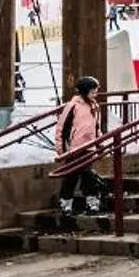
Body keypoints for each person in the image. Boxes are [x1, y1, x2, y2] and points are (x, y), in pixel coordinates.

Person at [56, 75, 104, 213]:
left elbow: (96, 127)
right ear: (84, 91)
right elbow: (61, 128)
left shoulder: (95, 106)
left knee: (89, 176)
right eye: (92, 91)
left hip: (89, 147)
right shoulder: (72, 106)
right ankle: (66, 203)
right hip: (74, 148)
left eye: (96, 91)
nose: (95, 94)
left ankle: (92, 202)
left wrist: (99, 143)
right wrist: (61, 149)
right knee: (71, 176)